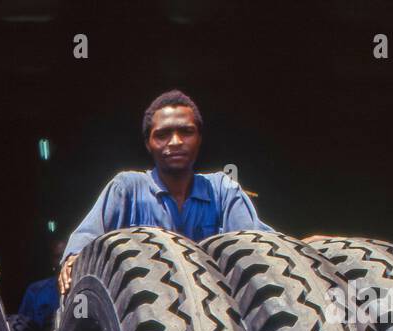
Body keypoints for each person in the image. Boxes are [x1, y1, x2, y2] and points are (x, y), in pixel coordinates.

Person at [58, 90, 270, 295]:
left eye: (186, 132)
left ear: (199, 138)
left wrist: (297, 249)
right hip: (142, 316)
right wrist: (74, 258)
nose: (176, 142)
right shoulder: (126, 189)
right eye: (162, 134)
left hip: (218, 313)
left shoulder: (222, 189)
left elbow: (254, 243)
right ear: (148, 144)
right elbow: (87, 239)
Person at [17, 237, 67, 328]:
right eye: (58, 257)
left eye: (66, 255)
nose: (62, 261)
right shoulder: (35, 290)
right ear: (52, 261)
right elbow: (22, 329)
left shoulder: (85, 290)